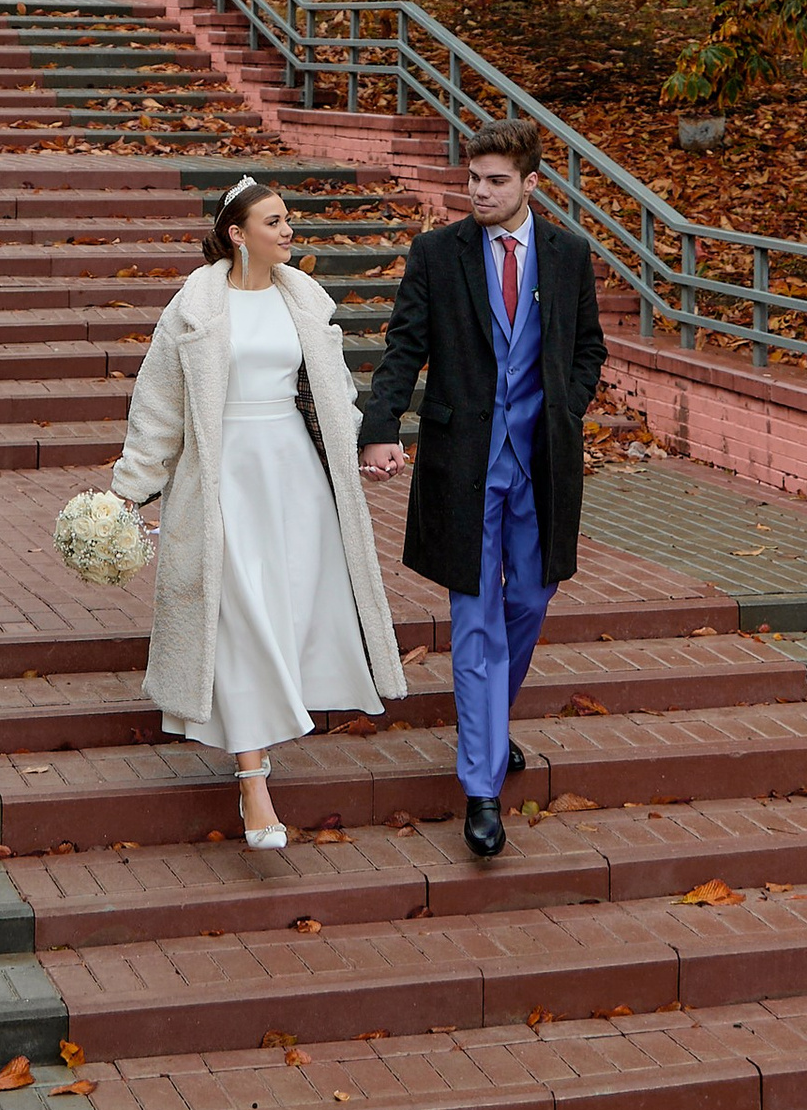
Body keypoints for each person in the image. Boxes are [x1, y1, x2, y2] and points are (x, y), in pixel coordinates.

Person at [110, 172, 407, 848]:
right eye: (273, 222)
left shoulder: (303, 297)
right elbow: (158, 408)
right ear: (236, 235)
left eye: (288, 219)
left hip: (294, 479)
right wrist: (129, 490)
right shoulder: (193, 306)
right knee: (237, 615)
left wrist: (360, 452)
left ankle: (255, 756)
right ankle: (254, 782)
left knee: (283, 611)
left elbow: (335, 396)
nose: (288, 231)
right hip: (221, 478)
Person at [357, 124, 607, 858]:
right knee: (474, 621)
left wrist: (567, 405)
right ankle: (481, 789)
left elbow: (588, 344)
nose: (479, 192)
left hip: (541, 462)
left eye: (496, 181)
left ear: (532, 184)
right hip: (463, 463)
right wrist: (382, 426)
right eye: (474, 179)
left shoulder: (568, 255)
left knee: (529, 600)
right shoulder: (440, 253)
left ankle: (489, 730)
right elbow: (404, 345)